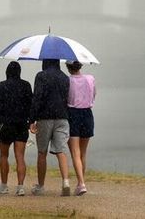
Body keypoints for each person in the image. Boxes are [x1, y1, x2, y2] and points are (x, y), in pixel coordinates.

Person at [29, 59, 71, 196]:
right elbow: (67, 98)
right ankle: (65, 182)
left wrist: (32, 120)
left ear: (45, 62)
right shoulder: (65, 77)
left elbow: (37, 98)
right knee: (61, 150)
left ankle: (41, 186)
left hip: (45, 118)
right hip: (62, 117)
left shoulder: (41, 76)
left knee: (42, 152)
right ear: (58, 62)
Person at [0, 61, 33, 196]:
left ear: (7, 72)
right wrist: (31, 122)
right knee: (20, 156)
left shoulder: (1, 86)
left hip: (7, 125)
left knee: (4, 155)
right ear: (19, 72)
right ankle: (20, 187)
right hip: (21, 125)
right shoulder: (26, 85)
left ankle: (4, 186)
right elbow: (30, 106)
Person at [65, 61, 96, 196]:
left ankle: (81, 183)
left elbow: (65, 98)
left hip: (73, 114)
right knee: (83, 153)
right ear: (80, 66)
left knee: (75, 153)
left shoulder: (68, 81)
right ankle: (80, 182)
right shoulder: (90, 78)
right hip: (87, 114)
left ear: (68, 67)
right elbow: (94, 94)